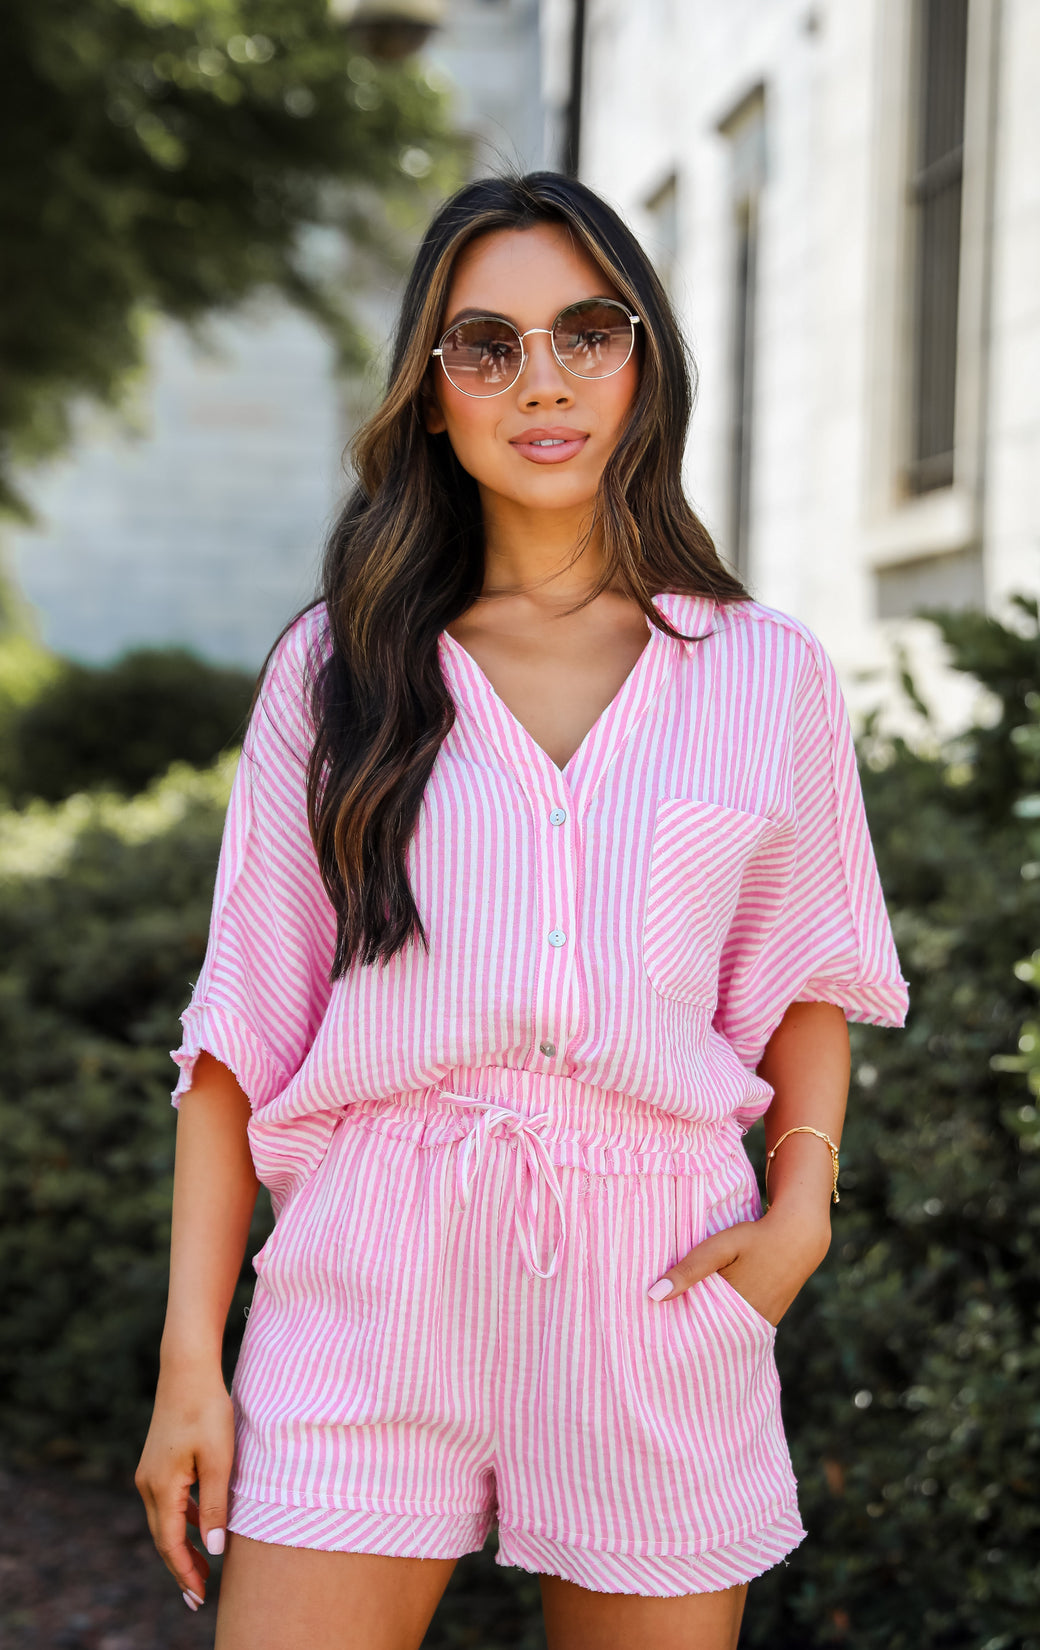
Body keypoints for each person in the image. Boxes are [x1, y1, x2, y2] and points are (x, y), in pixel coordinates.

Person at [136, 171, 908, 1650]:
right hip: (370, 1278)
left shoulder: (767, 675)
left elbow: (808, 970)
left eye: (586, 333)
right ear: (432, 397)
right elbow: (240, 1024)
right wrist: (192, 1358)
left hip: (656, 1282)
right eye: (486, 346)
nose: (540, 381)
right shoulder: (335, 672)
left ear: (643, 360)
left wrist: (801, 1207)